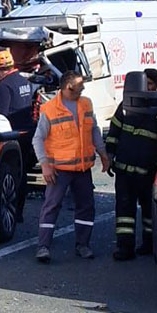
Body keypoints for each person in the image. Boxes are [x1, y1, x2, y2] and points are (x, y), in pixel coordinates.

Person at [32, 71, 111, 263]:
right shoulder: (50, 109)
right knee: (51, 206)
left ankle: (82, 244)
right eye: (80, 85)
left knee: (86, 207)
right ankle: (43, 247)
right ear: (68, 87)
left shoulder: (86, 104)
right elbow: (38, 138)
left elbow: (94, 130)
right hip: (59, 169)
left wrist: (103, 154)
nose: (83, 88)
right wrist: (45, 165)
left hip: (82, 169)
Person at [105, 69, 157, 261]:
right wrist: (110, 155)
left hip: (149, 172)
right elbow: (114, 131)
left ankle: (150, 244)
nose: (147, 87)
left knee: (149, 211)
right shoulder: (125, 106)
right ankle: (125, 248)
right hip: (124, 170)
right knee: (124, 212)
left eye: (151, 84)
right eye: (145, 83)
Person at [0, 48, 36, 215]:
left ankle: (13, 210)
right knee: (22, 172)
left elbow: (2, 114)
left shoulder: (3, 86)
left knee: (12, 173)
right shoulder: (24, 82)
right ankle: (19, 210)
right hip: (28, 131)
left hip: (13, 134)